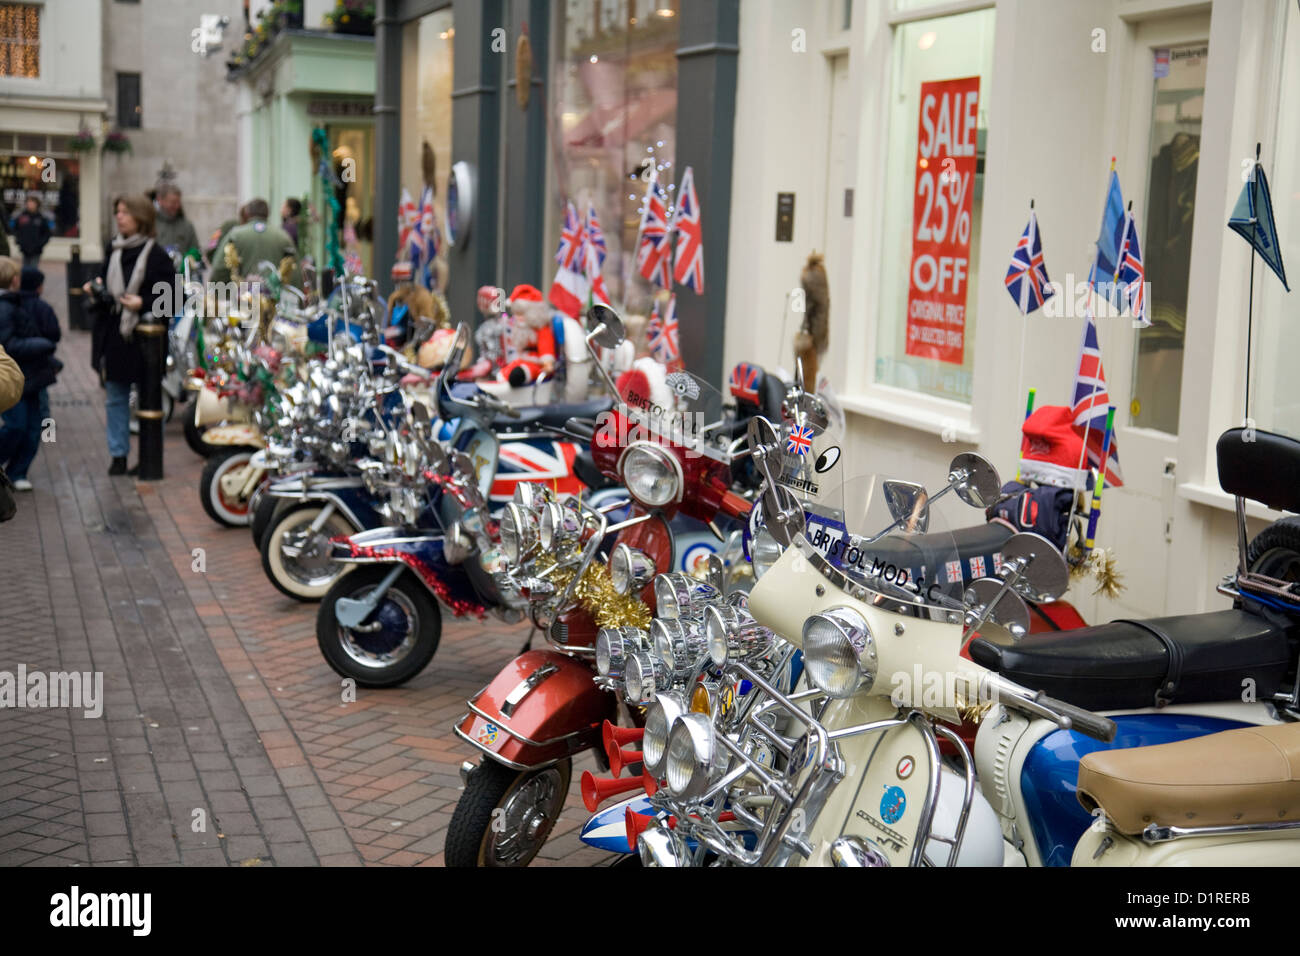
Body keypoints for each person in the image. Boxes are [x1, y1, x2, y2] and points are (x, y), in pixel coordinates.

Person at [85, 196, 174, 476]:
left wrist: (143, 303)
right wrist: (95, 289)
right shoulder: (113, 249)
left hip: (145, 339)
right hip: (114, 334)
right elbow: (104, 285)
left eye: (125, 212)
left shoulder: (156, 255)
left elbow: (171, 299)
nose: (119, 217)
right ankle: (118, 455)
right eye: (117, 212)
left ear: (141, 217)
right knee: (115, 396)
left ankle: (149, 457)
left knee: (149, 398)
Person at [0, 256, 57, 491]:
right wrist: (41, 344)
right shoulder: (5, 307)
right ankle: (13, 470)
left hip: (31, 375)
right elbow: (9, 344)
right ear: (14, 280)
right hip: (19, 376)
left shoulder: (16, 302)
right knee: (19, 425)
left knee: (36, 426)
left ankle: (17, 471)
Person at [208, 198, 297, 284]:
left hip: (241, 295)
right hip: (275, 297)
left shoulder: (235, 235)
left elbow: (219, 268)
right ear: (268, 213)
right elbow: (295, 271)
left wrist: (220, 293)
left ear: (247, 213)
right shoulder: (283, 237)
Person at [155, 183, 201, 260]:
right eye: (173, 202)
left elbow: (195, 251)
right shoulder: (151, 224)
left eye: (178, 202)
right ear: (160, 200)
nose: (176, 206)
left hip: (180, 271)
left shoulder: (187, 226)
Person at [11, 196, 51, 269]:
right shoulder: (21, 217)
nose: (30, 205)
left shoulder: (41, 218)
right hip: (24, 249)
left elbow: (47, 234)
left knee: (33, 269)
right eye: (28, 203)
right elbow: (15, 230)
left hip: (36, 250)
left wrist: (40, 244)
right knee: (24, 270)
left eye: (32, 203)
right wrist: (19, 242)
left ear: (37, 204)